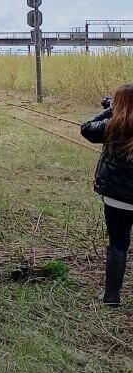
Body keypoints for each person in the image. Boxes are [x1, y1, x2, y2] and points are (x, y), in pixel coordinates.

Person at [81, 85, 133, 307]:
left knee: (118, 245)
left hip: (117, 198)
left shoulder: (113, 125)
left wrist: (109, 110)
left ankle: (111, 297)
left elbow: (86, 128)